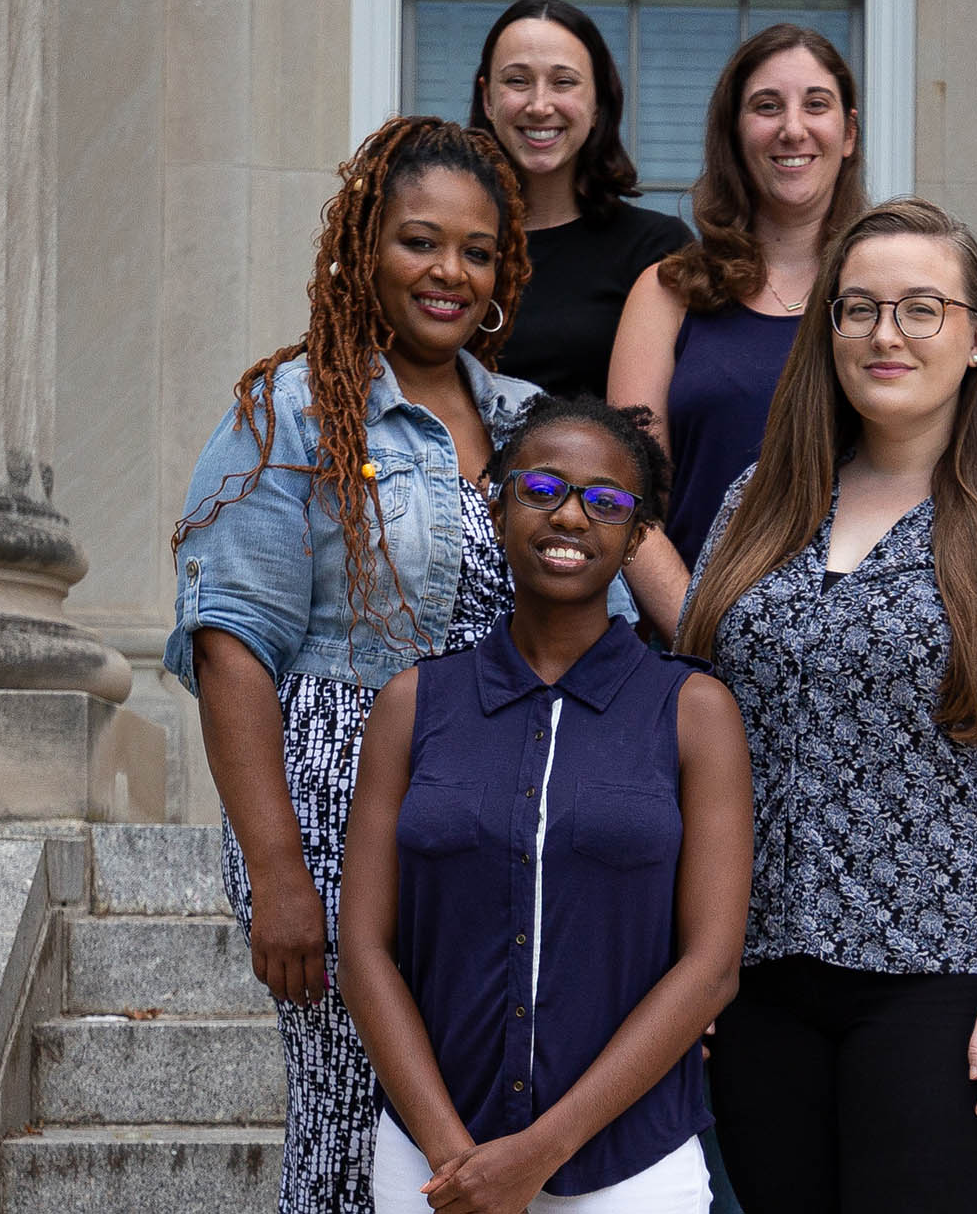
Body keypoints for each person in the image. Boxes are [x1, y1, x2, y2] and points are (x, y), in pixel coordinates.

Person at [164, 116, 628, 1214]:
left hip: (501, 807)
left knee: (470, 1108)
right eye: (421, 242)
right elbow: (232, 643)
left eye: (476, 250)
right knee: (344, 1109)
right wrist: (278, 871)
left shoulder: (528, 427)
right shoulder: (291, 411)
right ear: (362, 247)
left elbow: (595, 602)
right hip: (331, 803)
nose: (449, 273)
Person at [677, 197, 977, 1213]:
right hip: (758, 986)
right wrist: (688, 960)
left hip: (955, 985)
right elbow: (690, 740)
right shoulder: (756, 504)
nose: (886, 333)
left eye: (921, 308)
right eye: (859, 309)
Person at [340, 394, 754, 1214]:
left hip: (631, 1167)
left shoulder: (693, 710)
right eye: (541, 489)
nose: (571, 515)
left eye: (605, 501)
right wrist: (455, 1154)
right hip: (432, 1164)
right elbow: (362, 949)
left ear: (636, 538)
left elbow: (710, 969)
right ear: (496, 508)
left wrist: (538, 1151)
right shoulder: (413, 704)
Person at [608, 23, 867, 635]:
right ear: (733, 131)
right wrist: (702, 635)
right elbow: (627, 498)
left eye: (816, 105)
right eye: (766, 106)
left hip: (856, 662)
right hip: (694, 653)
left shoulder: (883, 297)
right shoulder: (668, 292)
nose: (793, 129)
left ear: (849, 133)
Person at [470, 0, 692, 399]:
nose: (539, 105)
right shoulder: (452, 247)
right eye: (517, 81)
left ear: (597, 104)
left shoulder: (655, 250)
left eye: (563, 82)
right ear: (487, 99)